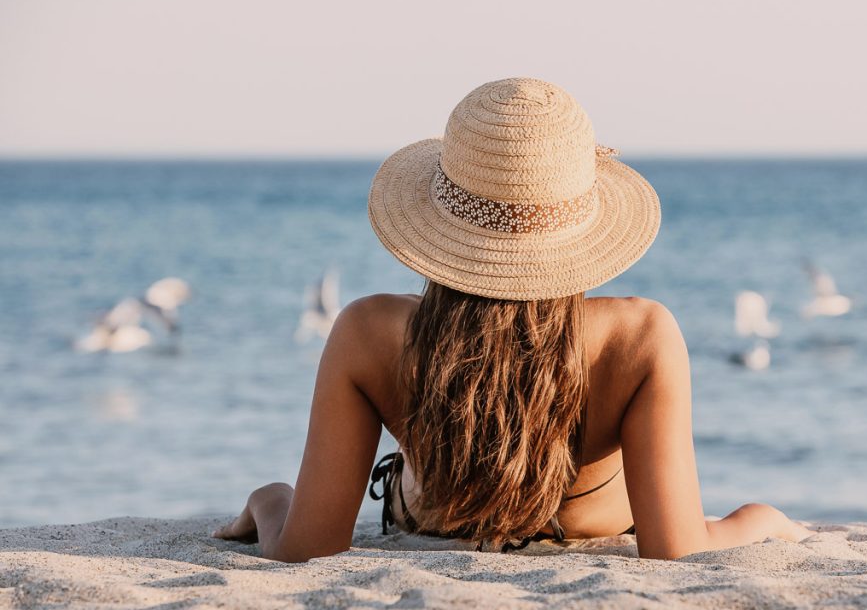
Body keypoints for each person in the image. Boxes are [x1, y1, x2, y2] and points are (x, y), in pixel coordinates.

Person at [213, 78, 812, 561]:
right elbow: (676, 548)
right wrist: (760, 521)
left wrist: (269, 501)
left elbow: (308, 547)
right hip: (593, 524)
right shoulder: (639, 337)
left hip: (431, 521)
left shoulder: (368, 333)